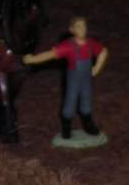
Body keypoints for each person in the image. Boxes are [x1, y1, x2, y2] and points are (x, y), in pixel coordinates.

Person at [23, 16, 109, 146]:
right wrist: (32, 59)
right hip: (73, 80)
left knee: (86, 102)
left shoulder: (91, 43)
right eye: (78, 26)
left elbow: (103, 51)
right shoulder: (68, 46)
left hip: (87, 80)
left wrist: (97, 67)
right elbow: (50, 54)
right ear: (71, 30)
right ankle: (66, 128)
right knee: (70, 102)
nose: (82, 29)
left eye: (84, 26)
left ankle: (88, 125)